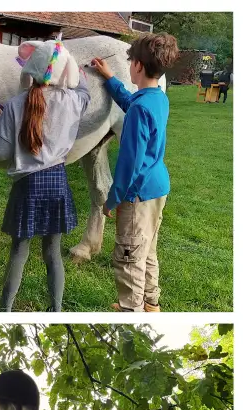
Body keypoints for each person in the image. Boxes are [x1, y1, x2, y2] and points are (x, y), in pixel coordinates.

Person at [0, 40, 90, 312]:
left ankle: (5, 311)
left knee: (18, 253)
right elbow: (84, 91)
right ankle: (56, 310)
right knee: (53, 253)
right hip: (57, 183)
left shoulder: (14, 105)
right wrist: (77, 70)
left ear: (31, 68)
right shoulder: (72, 100)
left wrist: (0, 120)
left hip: (27, 186)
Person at [90, 33, 180, 312]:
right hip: (157, 188)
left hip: (137, 194)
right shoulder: (157, 99)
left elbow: (129, 164)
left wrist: (113, 200)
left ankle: (131, 310)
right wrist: (110, 79)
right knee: (147, 247)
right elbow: (132, 104)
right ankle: (151, 303)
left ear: (138, 66)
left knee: (129, 254)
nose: (128, 67)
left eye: (130, 62)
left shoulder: (141, 108)